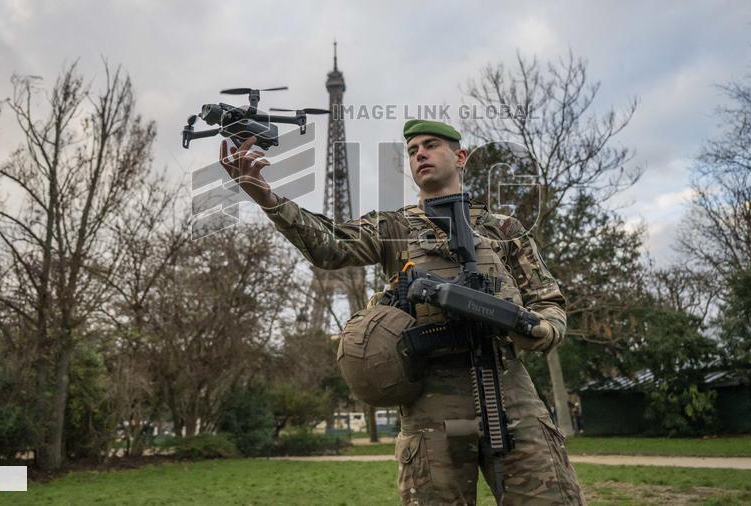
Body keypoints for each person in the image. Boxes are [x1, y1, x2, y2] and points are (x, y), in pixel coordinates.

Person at [219, 120, 584, 505]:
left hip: (510, 389)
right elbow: (329, 246)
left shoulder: (504, 228)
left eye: (430, 145)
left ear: (460, 157)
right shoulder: (393, 227)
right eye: (412, 151)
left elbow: (548, 300)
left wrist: (541, 328)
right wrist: (265, 196)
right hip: (431, 402)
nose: (420, 154)